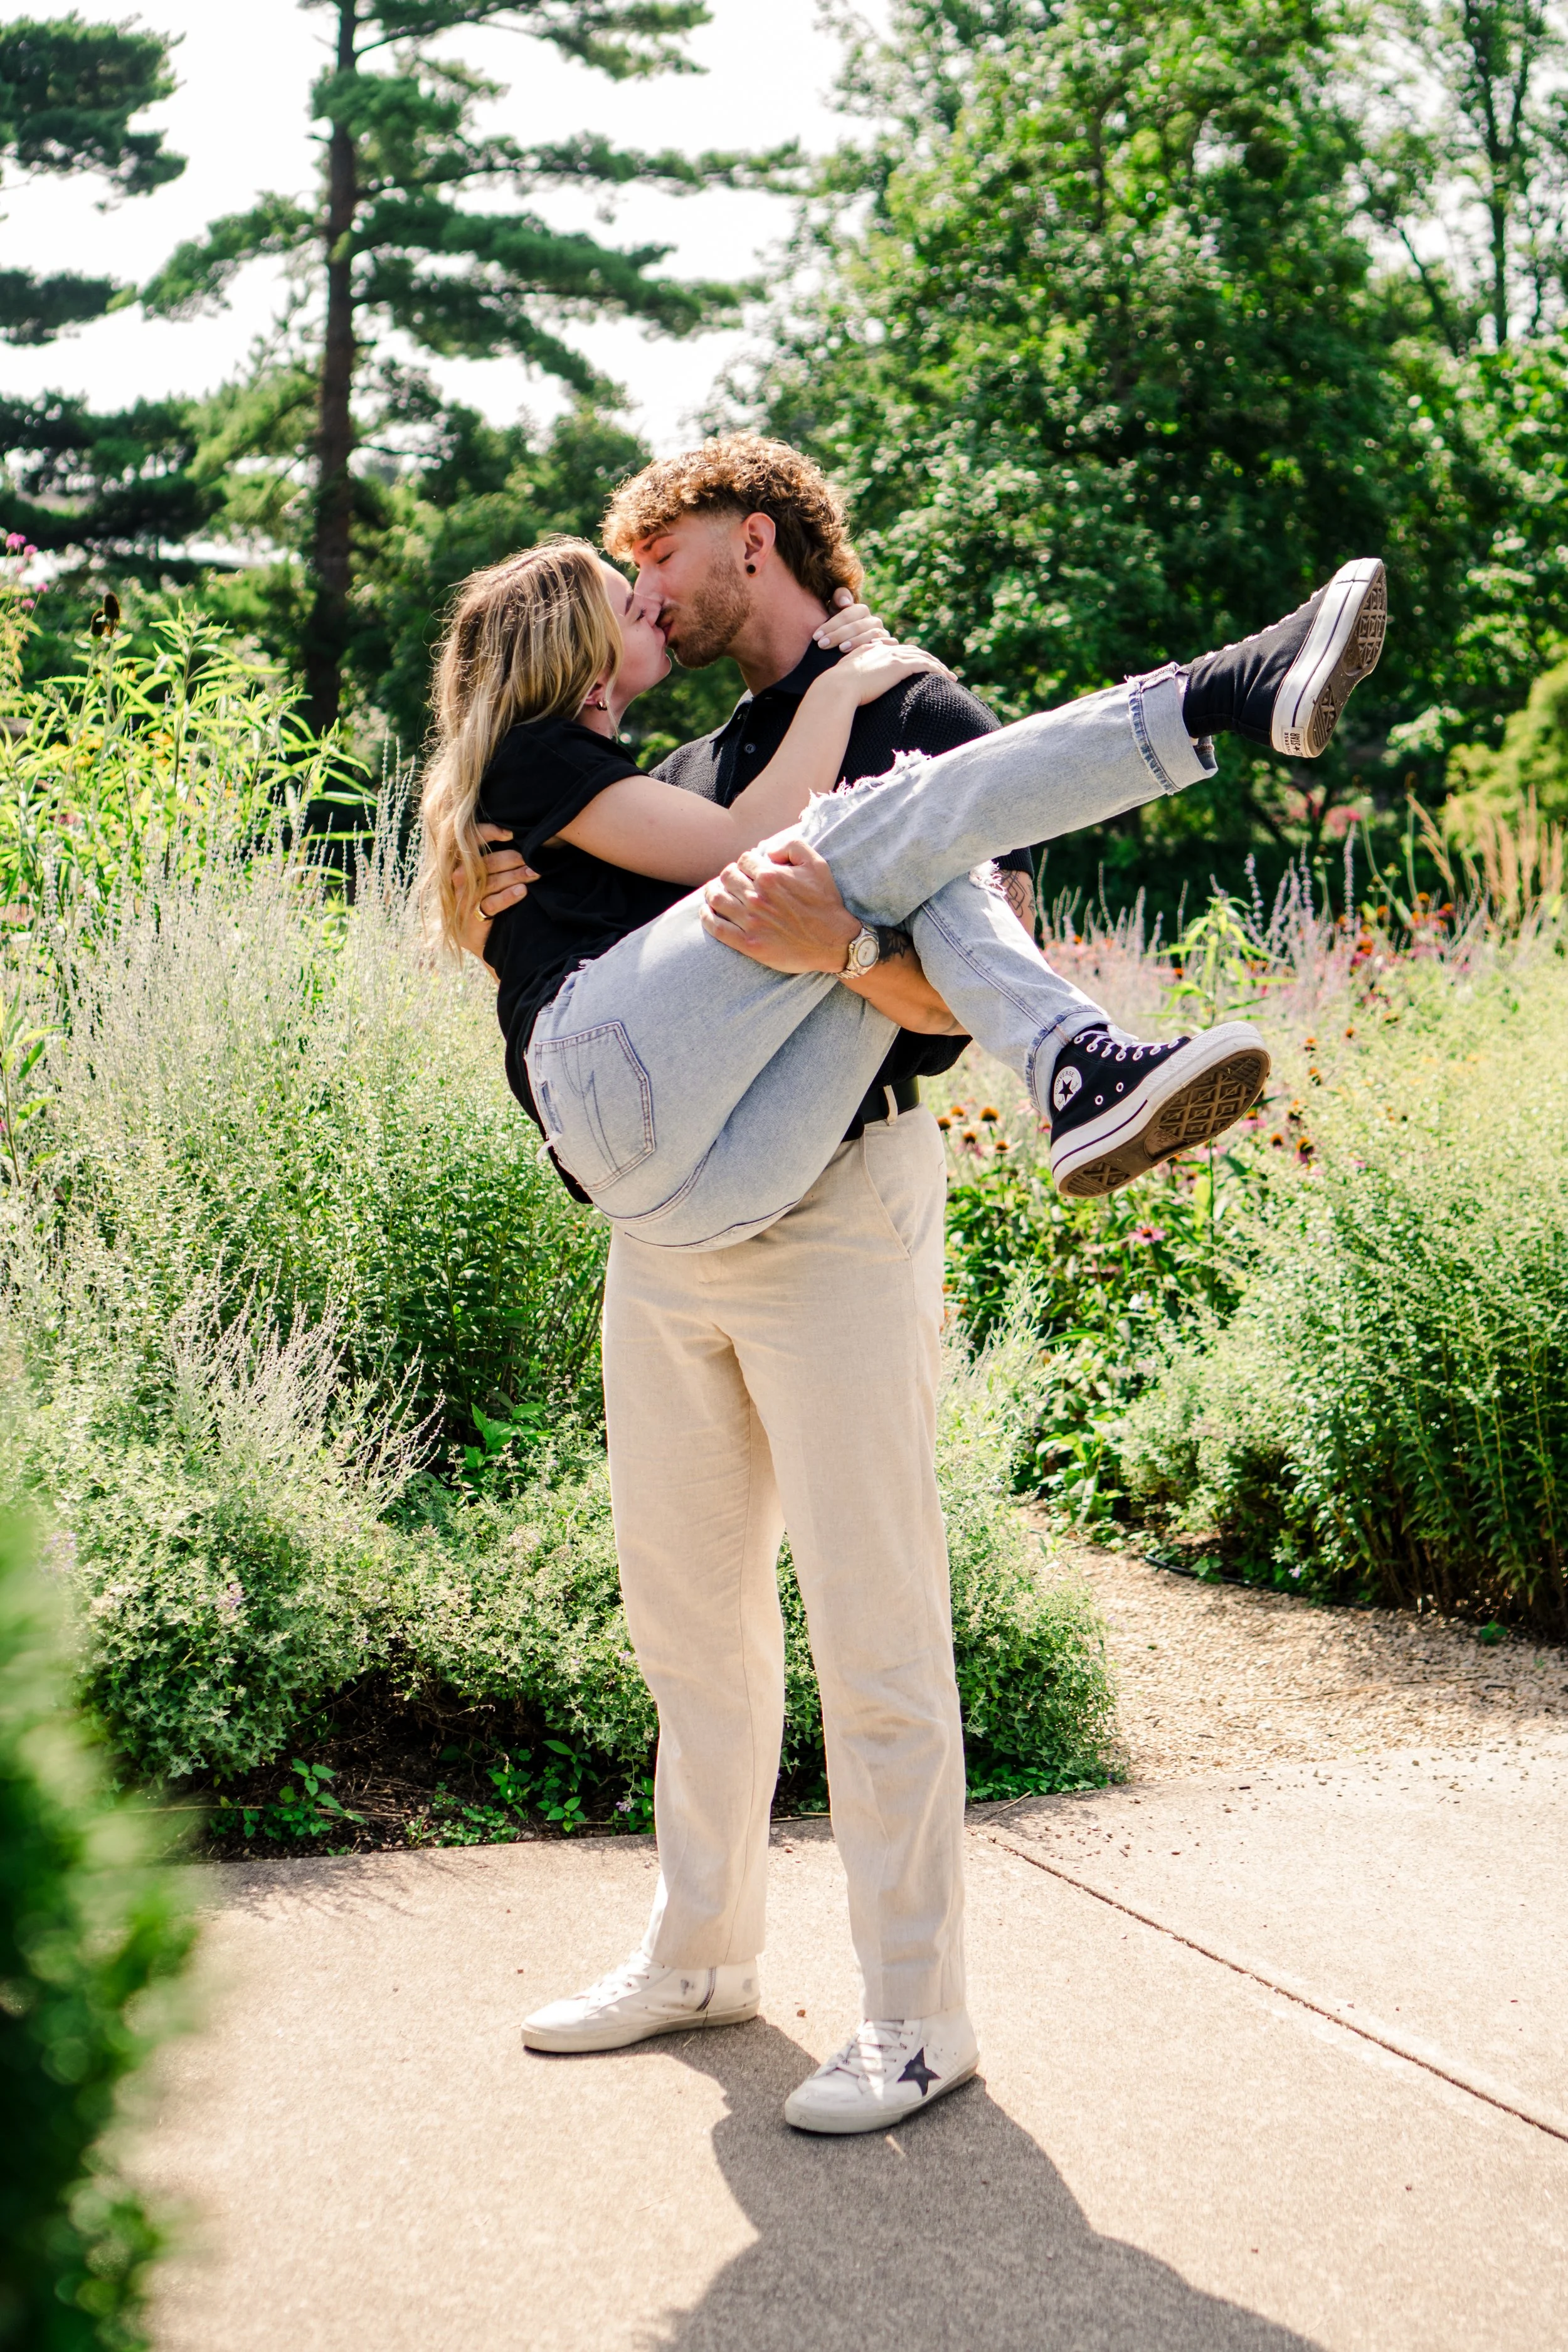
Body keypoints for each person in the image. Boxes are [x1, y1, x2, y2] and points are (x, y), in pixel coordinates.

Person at [430, 452, 1385, 2134]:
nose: (642, 585)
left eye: (660, 555)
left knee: (874, 1623)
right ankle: (700, 1948)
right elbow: (618, 885)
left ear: (756, 537)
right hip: (667, 1233)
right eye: (622, 577)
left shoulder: (911, 704)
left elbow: (948, 979)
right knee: (689, 1624)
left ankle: (913, 2008)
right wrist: (479, 886)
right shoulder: (695, 750)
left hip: (833, 1208)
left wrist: (829, 953)